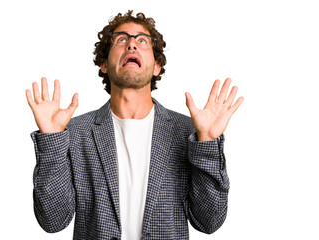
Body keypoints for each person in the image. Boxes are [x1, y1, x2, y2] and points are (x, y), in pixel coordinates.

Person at [25, 10, 243, 240]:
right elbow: (52, 221)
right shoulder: (76, 132)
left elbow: (209, 221)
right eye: (121, 39)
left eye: (142, 41)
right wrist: (51, 141)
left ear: (157, 66)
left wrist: (207, 142)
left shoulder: (188, 132)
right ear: (104, 64)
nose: (131, 45)